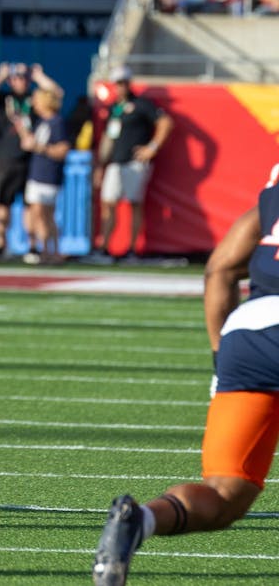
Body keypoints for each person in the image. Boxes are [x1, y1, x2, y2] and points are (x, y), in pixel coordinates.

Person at [92, 162, 279, 585]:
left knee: (224, 495)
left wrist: (220, 360)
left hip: (247, 336)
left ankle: (140, 520)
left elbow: (221, 269)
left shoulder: (270, 200)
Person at [0, 61, 63, 260]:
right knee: (3, 204)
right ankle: (0, 245)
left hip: (30, 160)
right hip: (7, 159)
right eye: (16, 78)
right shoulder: (5, 98)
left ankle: (32, 246)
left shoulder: (34, 100)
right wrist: (1, 76)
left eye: (24, 78)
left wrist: (39, 77)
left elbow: (56, 94)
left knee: (30, 205)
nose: (20, 82)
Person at [94, 66, 173, 261]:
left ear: (129, 84)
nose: (120, 87)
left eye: (123, 83)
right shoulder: (114, 108)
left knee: (134, 203)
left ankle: (132, 249)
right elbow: (109, 137)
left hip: (135, 162)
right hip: (116, 161)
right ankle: (105, 247)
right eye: (117, 83)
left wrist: (152, 147)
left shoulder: (142, 104)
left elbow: (166, 122)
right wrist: (101, 164)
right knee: (108, 202)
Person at [13, 87, 70, 264]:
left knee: (43, 213)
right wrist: (20, 126)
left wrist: (40, 148)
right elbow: (29, 142)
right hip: (37, 171)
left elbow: (63, 149)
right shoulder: (41, 122)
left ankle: (50, 250)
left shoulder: (56, 122)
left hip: (48, 173)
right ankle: (49, 249)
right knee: (42, 214)